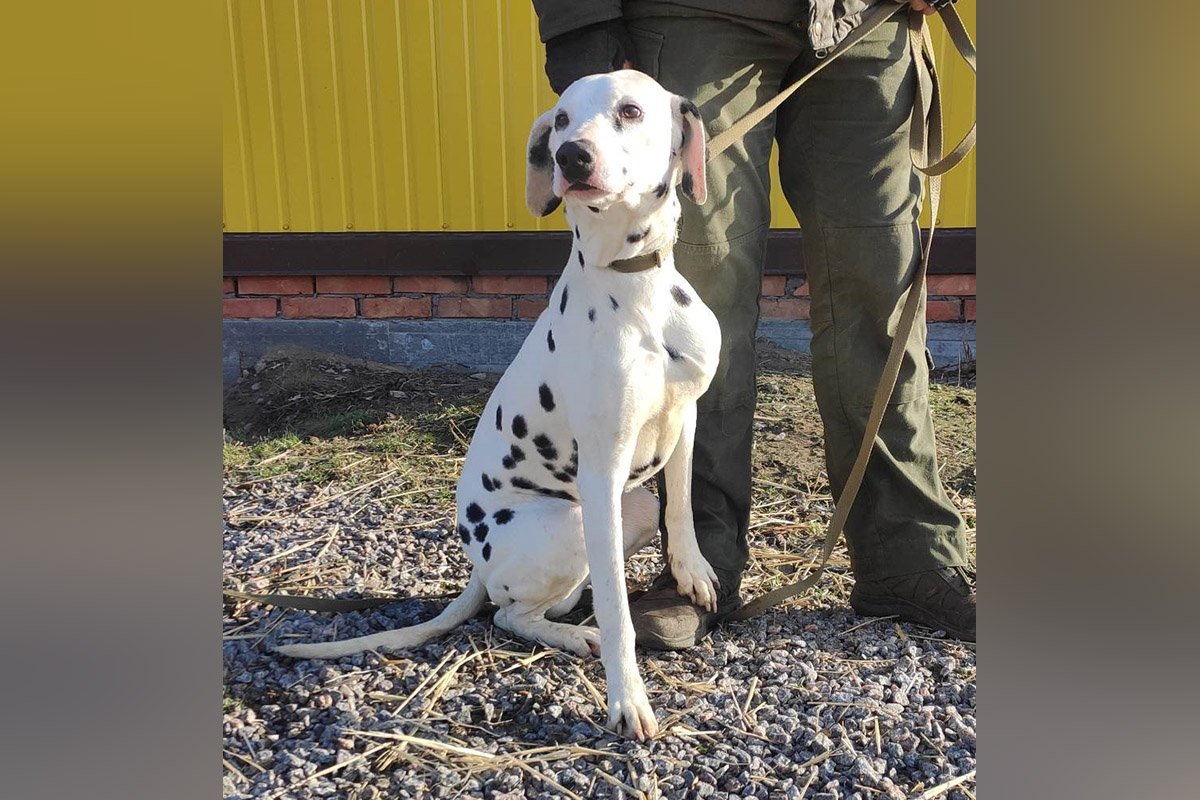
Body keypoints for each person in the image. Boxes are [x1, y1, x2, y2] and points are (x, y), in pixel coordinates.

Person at [530, 0, 976, 645]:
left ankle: (908, 558)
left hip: (865, 21)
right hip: (695, 17)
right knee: (700, 302)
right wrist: (587, 41)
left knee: (879, 290)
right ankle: (698, 565)